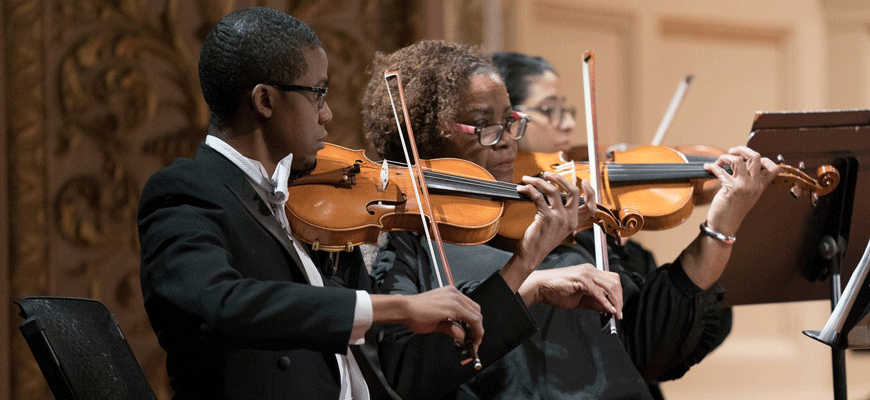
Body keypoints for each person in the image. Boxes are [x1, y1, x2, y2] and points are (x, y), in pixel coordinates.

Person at [137, 7, 607, 400]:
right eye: (317, 93)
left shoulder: (309, 207)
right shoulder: (189, 190)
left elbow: (412, 370)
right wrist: (394, 307)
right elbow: (215, 304)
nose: (328, 114)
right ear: (264, 100)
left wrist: (525, 267)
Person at [363, 41, 779, 399]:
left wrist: (721, 224)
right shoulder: (411, 245)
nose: (507, 138)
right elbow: (414, 375)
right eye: (484, 124)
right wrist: (528, 278)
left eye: (509, 120)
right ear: (424, 134)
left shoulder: (559, 222)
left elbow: (649, 350)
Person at [493, 51, 738, 398]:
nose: (567, 124)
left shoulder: (594, 233)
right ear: (508, 120)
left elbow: (665, 345)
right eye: (549, 110)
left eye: (567, 111)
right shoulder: (507, 228)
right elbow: (642, 345)